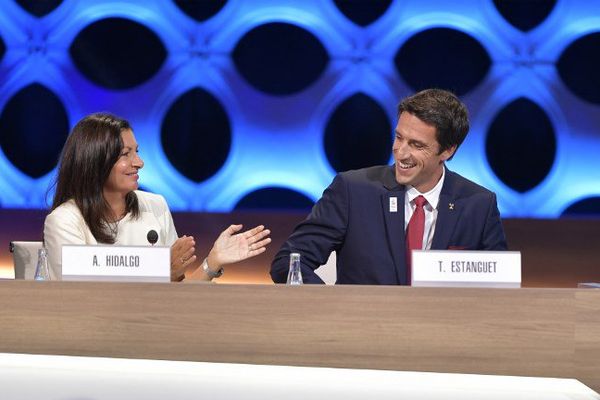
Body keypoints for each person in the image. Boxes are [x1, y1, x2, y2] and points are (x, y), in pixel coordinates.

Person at [271, 89, 507, 285]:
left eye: (417, 145)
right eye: (399, 137)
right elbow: (289, 262)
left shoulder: (479, 204)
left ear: (447, 150)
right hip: (362, 332)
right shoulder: (353, 190)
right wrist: (334, 305)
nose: (401, 152)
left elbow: (498, 288)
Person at [44, 113, 271, 281]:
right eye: (125, 154)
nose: (139, 163)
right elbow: (83, 300)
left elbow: (175, 300)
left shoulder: (155, 205)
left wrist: (212, 262)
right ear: (94, 162)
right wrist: (159, 272)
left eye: (137, 151)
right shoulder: (64, 221)